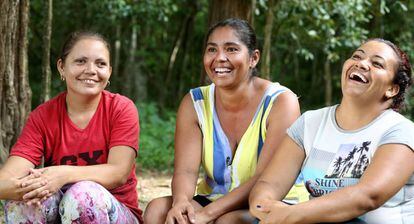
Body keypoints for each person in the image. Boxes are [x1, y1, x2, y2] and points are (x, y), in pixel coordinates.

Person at [144, 18, 302, 224]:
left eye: (231, 49)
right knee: (158, 210)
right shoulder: (195, 103)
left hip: (273, 202)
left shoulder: (281, 102)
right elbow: (186, 171)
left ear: (254, 58)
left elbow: (265, 178)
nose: (219, 58)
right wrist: (181, 202)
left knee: (228, 222)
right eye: (212, 50)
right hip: (215, 197)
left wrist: (207, 215)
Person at [249, 38, 414, 224]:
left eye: (377, 63)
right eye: (357, 56)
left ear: (392, 89)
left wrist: (291, 215)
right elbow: (268, 185)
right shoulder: (309, 123)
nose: (361, 63)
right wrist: (265, 206)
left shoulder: (401, 132)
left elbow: (368, 196)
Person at [0, 31, 143, 223]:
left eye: (100, 64)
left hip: (117, 212)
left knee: (83, 195)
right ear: (61, 67)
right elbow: (5, 180)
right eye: (80, 61)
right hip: (61, 211)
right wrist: (31, 188)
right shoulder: (43, 116)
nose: (91, 70)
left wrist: (63, 174)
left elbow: (119, 172)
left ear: (109, 71)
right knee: (24, 202)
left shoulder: (121, 108)